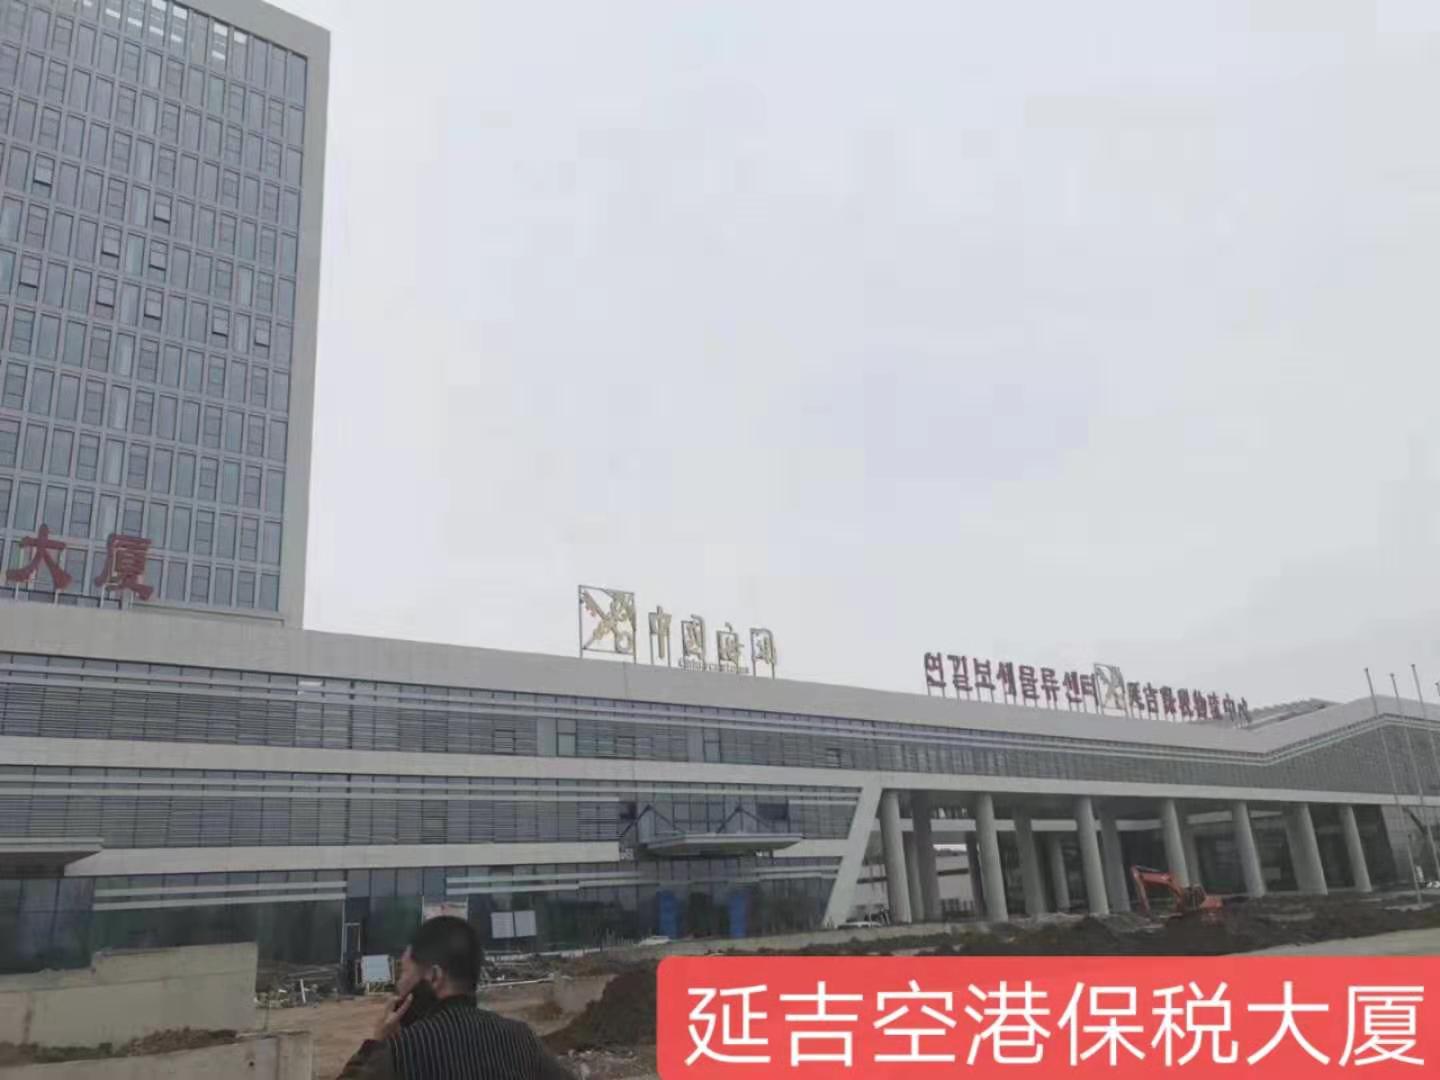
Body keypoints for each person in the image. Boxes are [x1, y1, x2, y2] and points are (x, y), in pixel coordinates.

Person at [338, 916, 573, 1079]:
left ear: (434, 977)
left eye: (404, 972)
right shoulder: (522, 1040)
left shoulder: (401, 1054)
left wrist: (375, 1044)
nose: (398, 985)